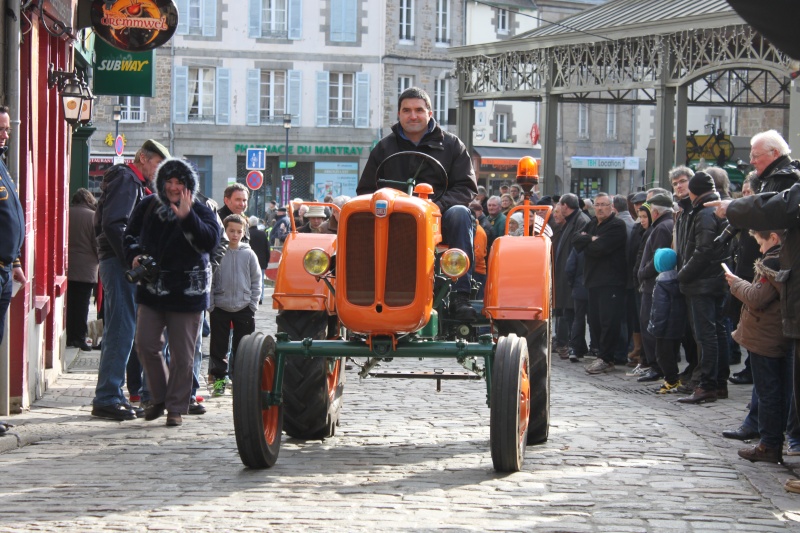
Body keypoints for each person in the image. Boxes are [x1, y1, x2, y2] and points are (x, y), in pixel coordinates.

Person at [357, 87, 478, 321]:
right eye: (407, 110)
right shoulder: (384, 147)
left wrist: (436, 207)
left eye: (419, 110)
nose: (413, 116)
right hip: (393, 218)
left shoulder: (452, 145)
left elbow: (466, 188)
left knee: (461, 213)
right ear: (399, 115)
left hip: (441, 219)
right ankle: (365, 291)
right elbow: (365, 190)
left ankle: (460, 295)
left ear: (430, 113)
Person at [124, 158, 220, 426]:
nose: (174, 187)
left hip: (187, 292)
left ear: (189, 185)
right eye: (170, 181)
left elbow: (209, 243)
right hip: (153, 288)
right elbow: (129, 235)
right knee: (145, 344)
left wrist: (188, 217)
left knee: (183, 355)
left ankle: (176, 407)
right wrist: (134, 256)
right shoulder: (147, 206)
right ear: (161, 182)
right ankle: (159, 396)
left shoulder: (201, 210)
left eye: (180, 182)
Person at [91, 139, 169, 421]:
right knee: (122, 328)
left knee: (124, 327)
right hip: (119, 261)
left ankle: (115, 394)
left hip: (119, 260)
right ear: (143, 158)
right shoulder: (127, 179)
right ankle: (108, 396)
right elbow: (115, 223)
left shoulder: (135, 184)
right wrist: (132, 257)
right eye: (158, 164)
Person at [723, 229, 790, 464]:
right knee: (771, 391)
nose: (759, 249)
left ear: (773, 238)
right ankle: (770, 440)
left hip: (767, 336)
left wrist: (736, 283)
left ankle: (769, 444)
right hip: (770, 334)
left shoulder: (773, 261)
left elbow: (757, 297)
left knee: (769, 392)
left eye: (760, 243)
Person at [675, 171, 731, 404]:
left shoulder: (704, 212)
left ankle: (709, 384)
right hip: (711, 280)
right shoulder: (708, 210)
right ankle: (716, 383)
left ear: (694, 191)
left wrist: (683, 274)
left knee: (707, 334)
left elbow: (703, 250)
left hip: (703, 283)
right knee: (715, 332)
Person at [572, 192, 629, 374]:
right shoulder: (592, 223)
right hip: (592, 280)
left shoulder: (617, 225)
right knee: (595, 321)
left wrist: (588, 241)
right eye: (597, 205)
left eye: (604, 204)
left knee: (608, 321)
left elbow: (600, 249)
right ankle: (600, 354)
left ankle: (607, 357)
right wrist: (590, 239)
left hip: (610, 281)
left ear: (611, 207)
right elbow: (576, 240)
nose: (600, 208)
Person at [208, 214, 261, 396]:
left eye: (239, 231)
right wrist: (212, 304)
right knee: (218, 349)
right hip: (220, 307)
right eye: (231, 231)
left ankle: (240, 382)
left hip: (244, 307)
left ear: (244, 232)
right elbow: (211, 280)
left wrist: (252, 304)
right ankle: (219, 383)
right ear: (225, 231)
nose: (235, 235)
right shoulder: (218, 252)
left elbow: (256, 280)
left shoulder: (248, 254)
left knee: (243, 349)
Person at [633, 194, 675, 382]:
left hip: (654, 284)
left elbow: (657, 259)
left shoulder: (661, 228)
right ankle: (655, 364)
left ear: (655, 212)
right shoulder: (663, 226)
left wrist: (642, 272)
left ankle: (656, 366)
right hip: (654, 283)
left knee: (650, 324)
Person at [0, 106, 26, 346]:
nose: (5, 135)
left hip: (6, 269)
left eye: (7, 129)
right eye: (1, 129)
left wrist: (15, 261)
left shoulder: (2, 166)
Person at [553, 194, 589, 358]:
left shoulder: (580, 220)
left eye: (559, 206)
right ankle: (573, 344)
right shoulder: (572, 221)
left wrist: (571, 274)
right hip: (568, 274)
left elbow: (578, 250)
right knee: (568, 313)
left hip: (575, 276)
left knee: (574, 314)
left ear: (565, 206)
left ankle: (575, 346)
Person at [647, 248, 687, 394]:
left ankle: (671, 380)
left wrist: (655, 327)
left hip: (664, 328)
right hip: (676, 326)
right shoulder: (677, 280)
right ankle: (673, 378)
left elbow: (660, 308)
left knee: (662, 355)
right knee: (672, 352)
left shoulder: (661, 284)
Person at [66, 189, 99, 351]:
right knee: (82, 305)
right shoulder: (93, 217)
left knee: (70, 303)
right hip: (87, 269)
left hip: (68, 266)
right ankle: (79, 338)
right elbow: (96, 244)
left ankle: (70, 336)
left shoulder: (67, 213)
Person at [248, 216, 270, 305]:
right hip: (261, 261)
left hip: (249, 261)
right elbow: (267, 249)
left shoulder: (247, 233)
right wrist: (267, 261)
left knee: (249, 279)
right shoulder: (263, 234)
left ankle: (250, 297)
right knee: (260, 280)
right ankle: (260, 297)